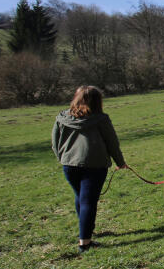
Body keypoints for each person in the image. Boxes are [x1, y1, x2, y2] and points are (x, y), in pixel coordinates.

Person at [51, 85, 127, 253]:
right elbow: (112, 143)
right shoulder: (101, 119)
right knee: (87, 201)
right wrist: (120, 162)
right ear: (97, 101)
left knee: (81, 197)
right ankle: (84, 242)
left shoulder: (62, 117)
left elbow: (55, 143)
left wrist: (62, 158)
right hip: (95, 166)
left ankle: (86, 231)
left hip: (69, 165)